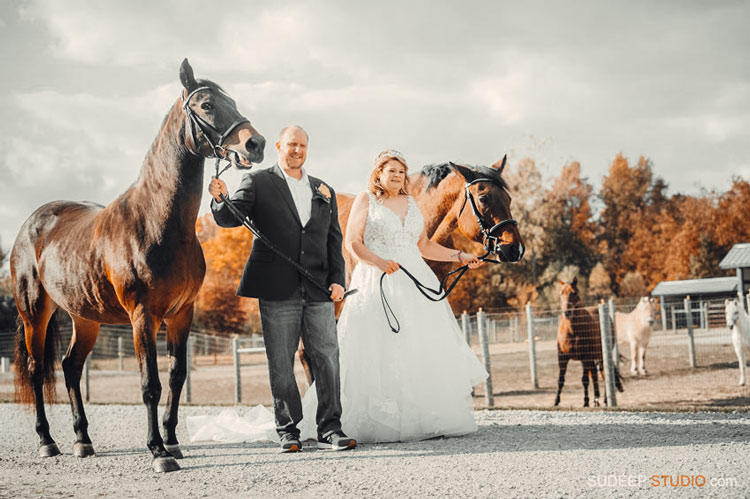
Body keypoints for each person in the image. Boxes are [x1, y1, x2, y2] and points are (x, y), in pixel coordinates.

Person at [298, 149, 488, 443]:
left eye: (401, 171)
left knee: (417, 345)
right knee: (373, 347)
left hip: (414, 279)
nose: (397, 176)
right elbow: (352, 243)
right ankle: (364, 418)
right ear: (379, 174)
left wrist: (461, 255)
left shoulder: (412, 204)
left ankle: (422, 416)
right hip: (379, 278)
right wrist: (379, 262)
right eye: (391, 171)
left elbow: (423, 245)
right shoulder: (367, 200)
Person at [208, 125, 356, 452]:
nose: (297, 150)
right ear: (279, 146)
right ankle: (288, 430)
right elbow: (231, 218)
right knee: (281, 362)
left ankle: (331, 428)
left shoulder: (323, 189)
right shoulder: (258, 181)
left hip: (319, 289)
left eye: (302, 145)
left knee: (328, 359)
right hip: (277, 289)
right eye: (292, 144)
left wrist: (337, 281)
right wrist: (219, 198)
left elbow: (334, 242)